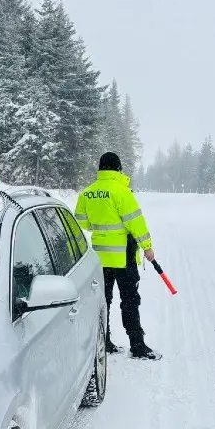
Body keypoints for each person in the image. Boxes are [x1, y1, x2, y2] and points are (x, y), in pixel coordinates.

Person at [74, 152, 161, 360]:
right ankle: (137, 345)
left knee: (103, 302)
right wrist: (147, 246)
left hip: (99, 259)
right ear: (118, 169)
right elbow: (135, 222)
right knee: (129, 300)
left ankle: (105, 342)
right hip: (123, 258)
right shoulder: (122, 192)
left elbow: (82, 222)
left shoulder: (88, 193)